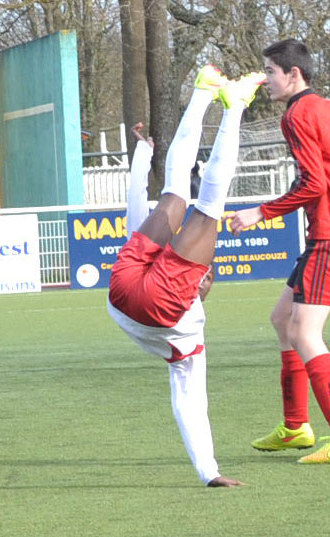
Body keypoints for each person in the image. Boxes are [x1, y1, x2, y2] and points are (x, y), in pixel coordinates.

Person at [229, 39, 330, 464]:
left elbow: (313, 184)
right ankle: (296, 426)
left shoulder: (297, 115)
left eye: (270, 71)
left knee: (304, 333)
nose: (265, 80)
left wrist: (260, 213)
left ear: (293, 74)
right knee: (282, 318)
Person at [107, 65, 265, 485]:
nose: (205, 274)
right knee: (182, 195)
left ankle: (227, 103)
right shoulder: (186, 346)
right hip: (120, 295)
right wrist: (142, 156)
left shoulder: (191, 337)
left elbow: (192, 404)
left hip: (140, 295)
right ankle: (208, 94)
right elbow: (187, 405)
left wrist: (209, 472)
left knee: (200, 201)